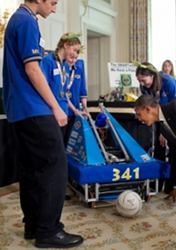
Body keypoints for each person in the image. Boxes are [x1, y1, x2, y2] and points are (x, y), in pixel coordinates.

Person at [2, 1, 83, 248]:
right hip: (33, 109)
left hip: (18, 110)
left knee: (31, 168)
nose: (55, 8)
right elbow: (33, 69)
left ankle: (33, 225)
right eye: (53, 2)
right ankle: (48, 230)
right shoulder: (27, 20)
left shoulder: (18, 19)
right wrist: (56, 107)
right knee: (55, 166)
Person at [135, 62, 176, 199]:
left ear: (151, 76)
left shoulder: (168, 81)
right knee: (158, 148)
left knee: (175, 150)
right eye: (139, 80)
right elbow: (150, 107)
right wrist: (161, 130)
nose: (141, 83)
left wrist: (166, 131)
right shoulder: (144, 86)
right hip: (159, 117)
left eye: (143, 80)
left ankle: (174, 186)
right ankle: (156, 183)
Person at [41, 32, 82, 142]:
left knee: (62, 150)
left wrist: (74, 110)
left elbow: (64, 93)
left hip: (64, 114)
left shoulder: (65, 66)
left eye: (78, 52)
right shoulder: (48, 61)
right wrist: (55, 109)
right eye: (75, 50)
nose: (76, 54)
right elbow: (43, 87)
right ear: (66, 45)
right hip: (51, 114)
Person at [64, 57, 88, 144]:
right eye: (71, 56)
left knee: (71, 143)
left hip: (75, 113)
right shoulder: (61, 67)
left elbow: (83, 91)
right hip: (63, 112)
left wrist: (85, 108)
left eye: (75, 57)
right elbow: (62, 93)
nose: (73, 60)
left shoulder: (79, 66)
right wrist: (74, 110)